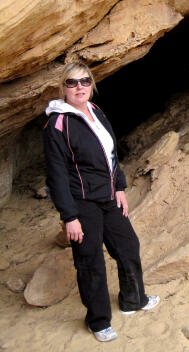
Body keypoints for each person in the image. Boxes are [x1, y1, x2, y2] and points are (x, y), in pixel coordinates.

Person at [43, 62, 159, 342]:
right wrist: (69, 216)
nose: (79, 87)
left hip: (108, 197)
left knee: (128, 245)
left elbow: (110, 155)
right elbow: (56, 174)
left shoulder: (96, 111)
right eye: (72, 83)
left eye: (84, 81)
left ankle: (133, 299)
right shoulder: (57, 124)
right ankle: (98, 320)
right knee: (89, 260)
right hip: (82, 202)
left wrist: (119, 186)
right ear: (63, 88)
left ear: (92, 84)